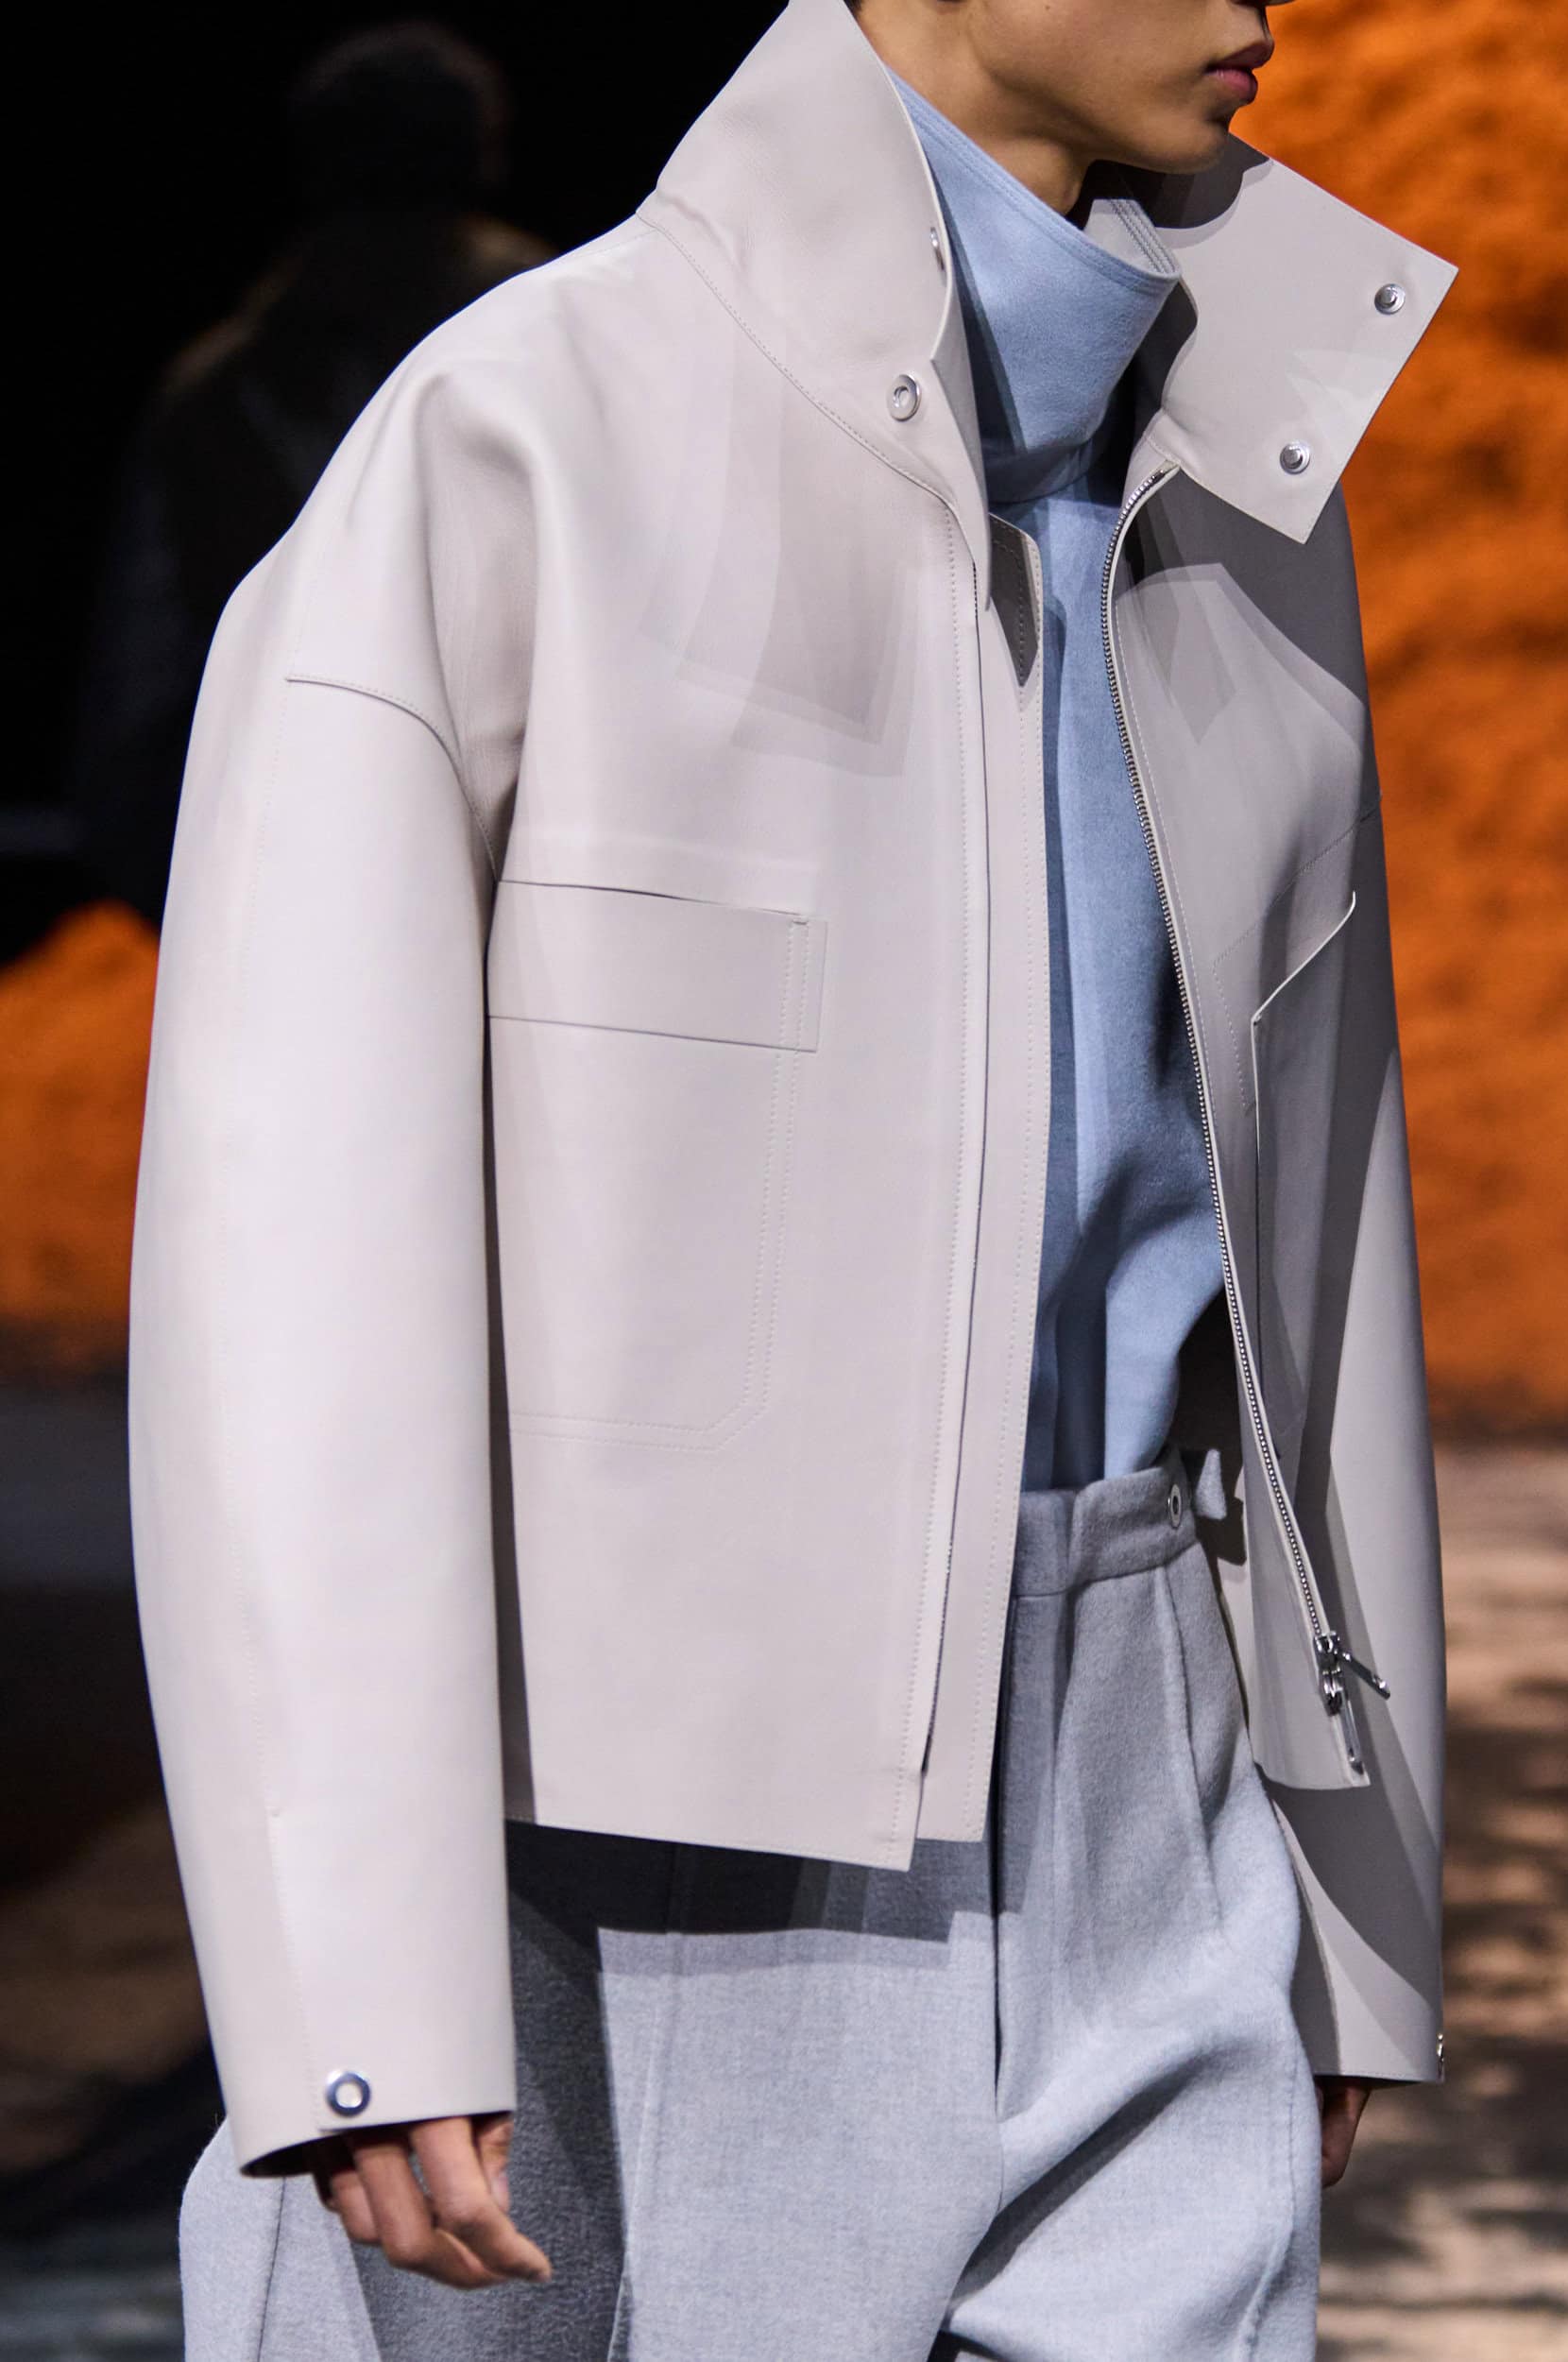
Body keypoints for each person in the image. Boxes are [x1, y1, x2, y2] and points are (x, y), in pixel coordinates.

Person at [129, 0, 1457, 2353]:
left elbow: (1317, 1209)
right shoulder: (525, 429)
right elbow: (294, 1249)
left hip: (1144, 1739)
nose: (1257, 11)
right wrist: (354, 1970)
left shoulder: (1241, 466)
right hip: (625, 1817)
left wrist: (1351, 1878)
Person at [65, 21, 551, 927]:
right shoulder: (552, 334)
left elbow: (134, 709)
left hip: (318, 868)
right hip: (451, 863)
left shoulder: (217, 390)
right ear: (482, 154)